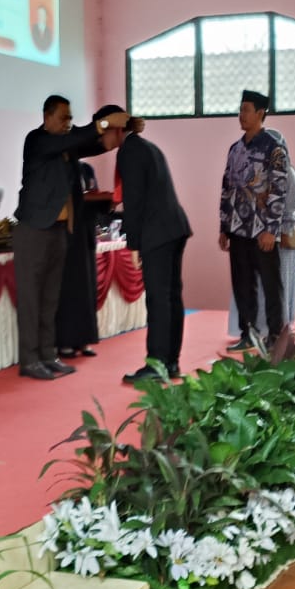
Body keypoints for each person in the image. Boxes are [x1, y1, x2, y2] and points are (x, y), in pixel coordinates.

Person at [13, 95, 129, 380]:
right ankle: (30, 360)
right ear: (47, 116)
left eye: (70, 118)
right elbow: (77, 138)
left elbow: (91, 143)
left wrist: (118, 130)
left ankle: (48, 354)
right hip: (34, 229)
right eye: (63, 117)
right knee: (31, 299)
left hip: (59, 230)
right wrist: (103, 123)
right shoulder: (38, 140)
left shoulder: (67, 147)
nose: (68, 123)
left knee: (51, 298)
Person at [94, 106, 191, 383]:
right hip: (173, 228)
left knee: (159, 299)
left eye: (101, 132)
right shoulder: (147, 146)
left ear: (115, 128)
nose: (100, 140)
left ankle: (157, 364)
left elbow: (134, 201)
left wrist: (133, 243)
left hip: (156, 232)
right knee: (171, 297)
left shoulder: (129, 152)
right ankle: (171, 362)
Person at [219, 90, 289, 350]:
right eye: (240, 109)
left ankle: (275, 337)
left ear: (260, 113)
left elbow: (280, 190)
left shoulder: (274, 148)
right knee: (242, 284)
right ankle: (248, 334)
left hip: (263, 231)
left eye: (246, 110)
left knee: (271, 286)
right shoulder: (235, 149)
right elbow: (227, 188)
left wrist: (272, 229)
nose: (241, 115)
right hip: (238, 228)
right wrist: (224, 226)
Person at [227, 127, 295, 340]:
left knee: (276, 287)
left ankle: (277, 332)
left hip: (279, 238)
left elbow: (290, 207)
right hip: (256, 235)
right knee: (254, 287)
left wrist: (281, 232)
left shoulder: (289, 173)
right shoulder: (253, 168)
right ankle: (255, 330)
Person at [55, 161, 104, 359]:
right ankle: (66, 341)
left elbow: (94, 194)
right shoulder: (59, 170)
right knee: (69, 292)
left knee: (88, 290)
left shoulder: (86, 169)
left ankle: (85, 340)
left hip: (86, 235)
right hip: (67, 238)